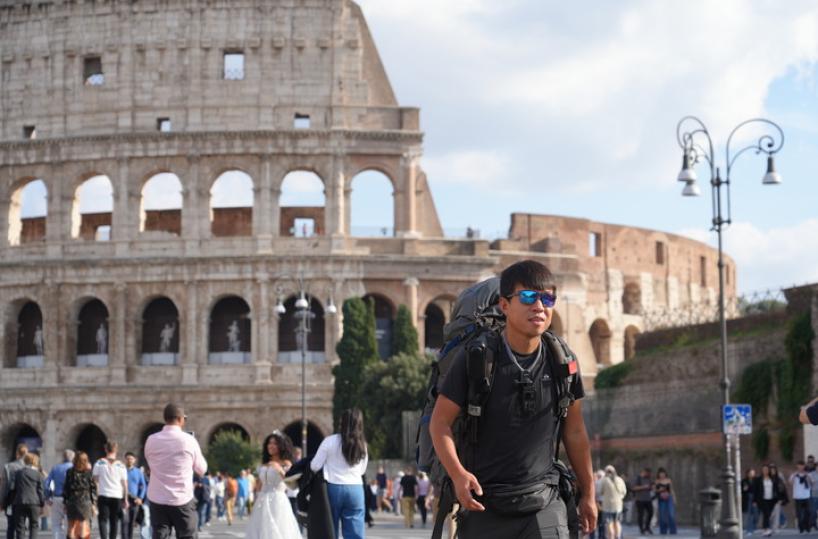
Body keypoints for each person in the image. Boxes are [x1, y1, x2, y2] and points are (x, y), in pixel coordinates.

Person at [429, 260, 596, 538]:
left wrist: (588, 493)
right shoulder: (476, 359)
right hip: (485, 504)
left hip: (544, 502)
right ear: (505, 305)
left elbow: (575, 431)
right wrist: (458, 475)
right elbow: (440, 423)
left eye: (547, 298)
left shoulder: (563, 361)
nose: (539, 306)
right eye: (528, 297)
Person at [144, 403, 207, 539]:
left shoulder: (151, 440)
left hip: (157, 498)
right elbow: (202, 469)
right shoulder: (189, 440)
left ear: (165, 418)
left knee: (159, 536)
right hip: (182, 499)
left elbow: (150, 463)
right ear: (180, 419)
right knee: (187, 535)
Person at [310, 408, 369, 539]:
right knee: (355, 533)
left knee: (330, 529)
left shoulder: (329, 441)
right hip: (355, 488)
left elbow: (314, 466)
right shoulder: (362, 445)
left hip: (333, 487)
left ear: (342, 422)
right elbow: (362, 470)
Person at [244, 432, 301, 539]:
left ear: (281, 446)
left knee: (277, 529)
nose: (271, 445)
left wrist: (279, 469)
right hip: (261, 500)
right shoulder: (264, 464)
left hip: (278, 500)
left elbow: (292, 484)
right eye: (269, 443)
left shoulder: (286, 463)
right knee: (260, 529)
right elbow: (259, 485)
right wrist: (254, 500)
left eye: (275, 443)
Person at [92, 441, 129, 539]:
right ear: (116, 450)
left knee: (103, 520)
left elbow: (95, 481)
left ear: (105, 449)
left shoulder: (99, 463)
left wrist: (95, 496)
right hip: (117, 495)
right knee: (114, 521)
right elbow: (125, 484)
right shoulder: (121, 465)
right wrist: (125, 499)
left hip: (103, 494)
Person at [63, 452, 96, 539]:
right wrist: (93, 504)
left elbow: (66, 488)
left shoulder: (69, 472)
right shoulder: (88, 473)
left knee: (71, 526)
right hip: (85, 501)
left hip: (72, 500)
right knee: (83, 525)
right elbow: (93, 489)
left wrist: (65, 502)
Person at [12, 452, 44, 539]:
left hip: (20, 501)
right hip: (34, 503)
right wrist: (42, 504)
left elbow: (14, 488)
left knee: (20, 527)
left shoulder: (18, 473)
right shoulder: (38, 474)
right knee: (34, 526)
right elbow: (40, 490)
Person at [1, 443, 28, 539]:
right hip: (24, 500)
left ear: (17, 453)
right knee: (21, 526)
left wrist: (2, 501)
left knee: (11, 526)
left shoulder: (8, 467)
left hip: (11, 500)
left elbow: (4, 486)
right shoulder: (29, 468)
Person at [45, 449, 74, 539]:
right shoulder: (74, 468)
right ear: (73, 458)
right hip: (70, 499)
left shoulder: (55, 468)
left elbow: (47, 483)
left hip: (57, 497)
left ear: (63, 457)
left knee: (56, 524)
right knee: (68, 523)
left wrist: (48, 496)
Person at [123, 452, 147, 539]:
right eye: (128, 458)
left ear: (134, 460)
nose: (129, 460)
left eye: (131, 459)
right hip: (123, 499)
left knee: (131, 522)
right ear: (125, 460)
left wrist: (140, 498)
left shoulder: (138, 472)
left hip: (134, 500)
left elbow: (143, 486)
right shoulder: (122, 471)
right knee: (124, 521)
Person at [753, 464, 781, 537]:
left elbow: (776, 489)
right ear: (762, 471)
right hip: (762, 499)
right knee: (766, 513)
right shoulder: (758, 479)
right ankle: (766, 529)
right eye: (764, 470)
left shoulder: (772, 479)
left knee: (768, 515)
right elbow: (755, 490)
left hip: (771, 499)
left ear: (769, 471)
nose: (765, 471)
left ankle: (766, 529)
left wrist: (778, 499)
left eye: (766, 470)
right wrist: (754, 501)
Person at [599, 465, 626, 539]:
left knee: (609, 523)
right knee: (617, 522)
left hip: (607, 505)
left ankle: (611, 537)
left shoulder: (604, 480)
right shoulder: (620, 479)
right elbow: (624, 492)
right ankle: (618, 537)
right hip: (618, 506)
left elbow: (600, 491)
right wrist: (619, 498)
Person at [790, 461, 812, 533]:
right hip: (798, 497)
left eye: (802, 465)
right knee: (799, 514)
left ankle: (807, 527)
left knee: (808, 512)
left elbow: (812, 483)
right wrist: (794, 475)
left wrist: (807, 476)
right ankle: (801, 527)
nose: (801, 467)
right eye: (799, 465)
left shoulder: (808, 474)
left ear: (804, 466)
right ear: (797, 466)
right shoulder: (794, 474)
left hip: (806, 496)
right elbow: (791, 483)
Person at [654, 468, 676, 535]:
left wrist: (674, 498)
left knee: (671, 514)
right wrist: (660, 490)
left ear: (665, 474)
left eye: (663, 473)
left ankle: (673, 530)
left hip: (669, 498)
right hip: (661, 498)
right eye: (660, 474)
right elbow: (654, 490)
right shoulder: (657, 481)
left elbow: (671, 490)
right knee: (662, 515)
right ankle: (663, 530)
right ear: (658, 474)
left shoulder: (668, 480)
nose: (662, 475)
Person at [633, 468, 654, 535]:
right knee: (641, 515)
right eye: (647, 473)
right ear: (644, 472)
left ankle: (647, 527)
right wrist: (644, 487)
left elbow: (651, 487)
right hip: (640, 500)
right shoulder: (638, 478)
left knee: (651, 513)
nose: (649, 474)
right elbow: (634, 488)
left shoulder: (649, 479)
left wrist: (651, 487)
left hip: (648, 499)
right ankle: (641, 529)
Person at [742, 468, 758, 535]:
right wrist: (744, 489)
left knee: (756, 515)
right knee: (749, 515)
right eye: (750, 473)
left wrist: (756, 501)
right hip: (748, 498)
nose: (752, 474)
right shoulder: (744, 481)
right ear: (747, 474)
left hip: (755, 498)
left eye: (753, 473)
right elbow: (742, 491)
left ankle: (754, 527)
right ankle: (749, 530)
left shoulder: (756, 481)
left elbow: (758, 490)